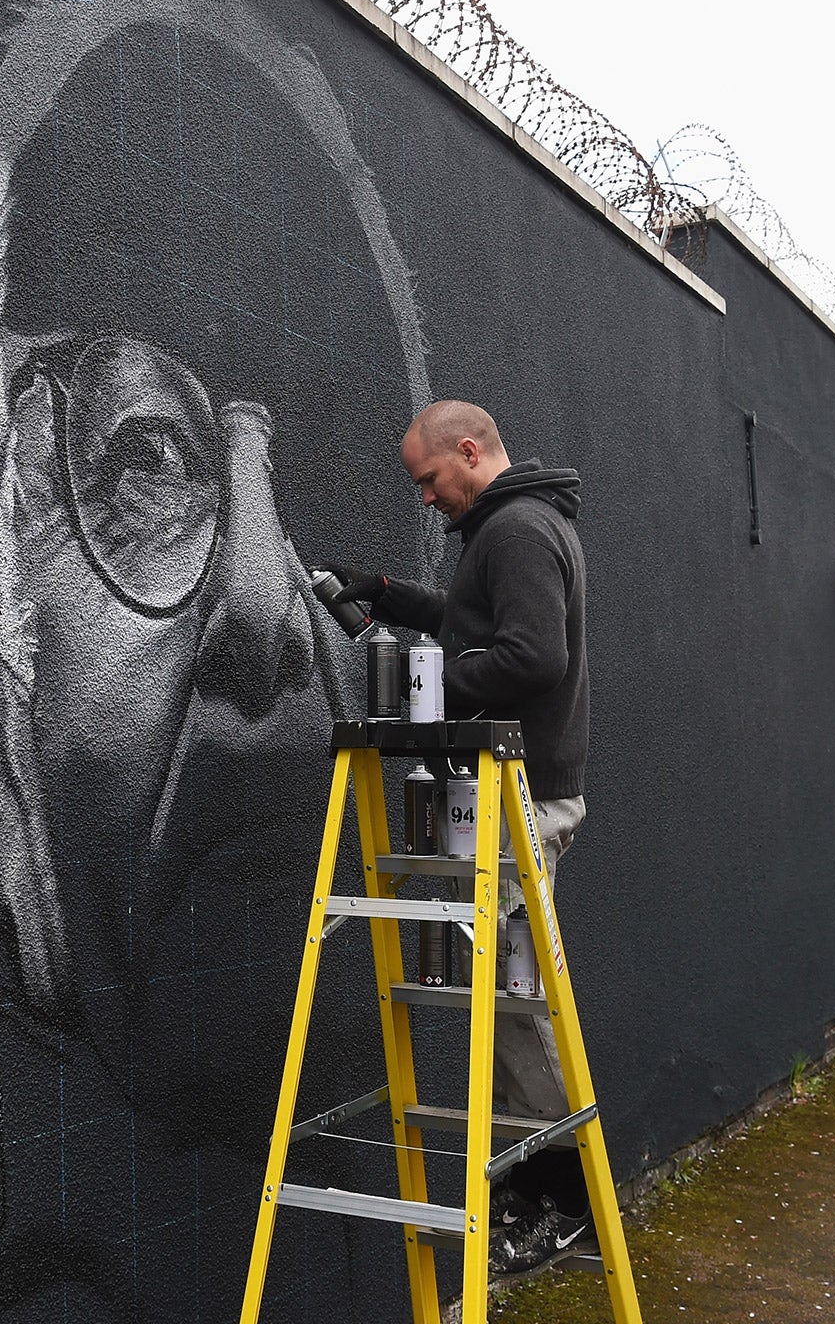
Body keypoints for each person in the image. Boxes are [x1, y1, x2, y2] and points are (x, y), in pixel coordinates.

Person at [318, 398, 592, 1275]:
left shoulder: (515, 531)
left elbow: (532, 658)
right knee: (501, 1000)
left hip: (519, 800)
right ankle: (530, 1188)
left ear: (469, 452)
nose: (426, 498)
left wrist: (430, 690)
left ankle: (566, 1197)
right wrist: (393, 597)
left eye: (429, 480)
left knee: (516, 1003)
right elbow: (484, 629)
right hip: (511, 799)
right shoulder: (513, 528)